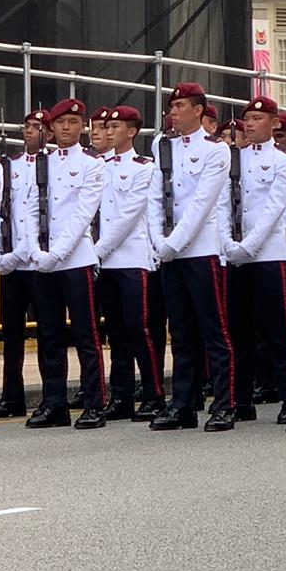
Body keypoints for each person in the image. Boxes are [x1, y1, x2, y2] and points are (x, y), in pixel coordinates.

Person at [148, 83, 235, 431]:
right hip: (169, 250)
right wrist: (159, 240)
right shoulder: (163, 146)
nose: (174, 112)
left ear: (199, 110)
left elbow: (202, 203)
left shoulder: (216, 150)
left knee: (213, 329)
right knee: (180, 331)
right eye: (172, 106)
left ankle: (224, 403)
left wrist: (175, 242)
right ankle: (182, 404)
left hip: (200, 250)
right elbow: (155, 196)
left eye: (181, 105)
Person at [27, 99, 109, 429]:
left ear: (82, 127)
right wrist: (34, 249)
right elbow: (31, 208)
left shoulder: (92, 163)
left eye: (73, 122)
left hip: (75, 259)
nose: (65, 128)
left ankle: (94, 402)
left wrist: (57, 253)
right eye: (60, 122)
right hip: (44, 260)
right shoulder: (41, 161)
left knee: (86, 335)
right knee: (49, 335)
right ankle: (54, 403)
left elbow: (83, 214)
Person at [222, 96, 286, 424]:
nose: (250, 124)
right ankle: (240, 400)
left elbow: (277, 207)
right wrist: (229, 243)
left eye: (257, 118)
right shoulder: (233, 159)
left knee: (278, 330)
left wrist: (250, 245)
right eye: (248, 118)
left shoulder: (285, 159)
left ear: (275, 123)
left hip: (270, 253)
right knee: (239, 331)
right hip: (237, 254)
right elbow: (223, 204)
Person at [94, 105, 166, 422]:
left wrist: (97, 250)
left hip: (132, 257)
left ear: (132, 131)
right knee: (116, 332)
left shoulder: (143, 168)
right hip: (104, 261)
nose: (108, 132)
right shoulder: (97, 166)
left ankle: (153, 393)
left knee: (139, 328)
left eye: (115, 127)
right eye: (106, 127)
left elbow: (129, 216)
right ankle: (121, 396)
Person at [0, 108, 46, 416]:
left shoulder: (51, 165)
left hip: (38, 261)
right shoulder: (8, 166)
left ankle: (52, 394)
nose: (29, 132)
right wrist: (0, 253)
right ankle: (12, 396)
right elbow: (1, 211)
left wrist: (24, 252)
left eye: (37, 127)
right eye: (26, 126)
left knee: (47, 334)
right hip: (12, 262)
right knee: (12, 334)